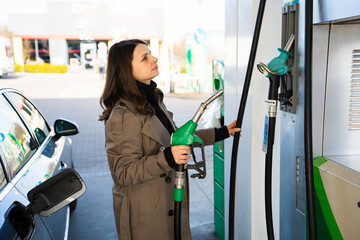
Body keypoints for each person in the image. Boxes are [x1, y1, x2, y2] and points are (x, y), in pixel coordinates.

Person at [99, 39, 241, 240]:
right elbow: (123, 172)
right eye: (144, 57)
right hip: (147, 217)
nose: (154, 58)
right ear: (126, 70)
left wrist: (221, 133)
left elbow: (175, 141)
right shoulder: (122, 116)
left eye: (150, 53)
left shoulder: (152, 100)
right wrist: (166, 159)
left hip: (167, 203)